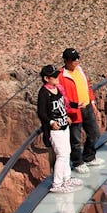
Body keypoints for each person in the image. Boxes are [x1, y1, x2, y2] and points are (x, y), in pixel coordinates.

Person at [57, 48, 104, 174]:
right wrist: (69, 110)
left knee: (95, 133)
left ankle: (89, 157)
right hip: (73, 111)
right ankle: (77, 162)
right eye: (73, 59)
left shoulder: (79, 70)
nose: (76, 61)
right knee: (76, 139)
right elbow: (61, 96)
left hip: (87, 106)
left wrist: (92, 101)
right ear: (66, 60)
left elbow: (87, 86)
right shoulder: (61, 76)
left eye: (77, 58)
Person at [37, 64, 82, 194]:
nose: (57, 77)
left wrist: (74, 108)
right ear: (46, 78)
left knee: (66, 152)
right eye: (54, 76)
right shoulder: (44, 93)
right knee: (61, 155)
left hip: (64, 126)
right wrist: (51, 122)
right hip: (54, 130)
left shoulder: (58, 89)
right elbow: (41, 112)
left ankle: (66, 179)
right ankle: (57, 183)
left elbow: (64, 104)